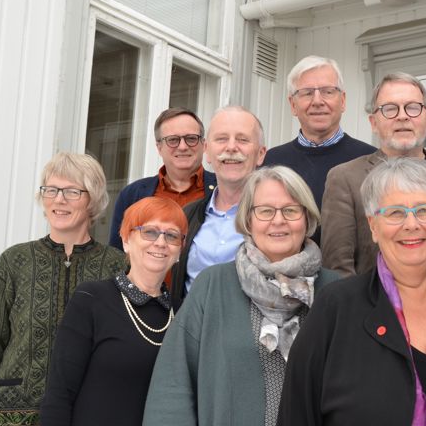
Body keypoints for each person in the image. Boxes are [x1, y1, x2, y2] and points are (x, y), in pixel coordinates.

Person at [279, 158, 426, 425]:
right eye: (395, 213)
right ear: (373, 226)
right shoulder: (335, 309)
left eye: (424, 211)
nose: (412, 224)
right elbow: (297, 415)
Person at [143, 166, 339, 426]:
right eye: (265, 211)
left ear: (307, 219)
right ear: (248, 220)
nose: (278, 221)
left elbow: (358, 391)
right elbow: (173, 385)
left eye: (290, 210)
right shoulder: (212, 286)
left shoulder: (337, 292)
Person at [0, 153, 127, 426]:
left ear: (93, 199)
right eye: (51, 190)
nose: (59, 199)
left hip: (88, 415)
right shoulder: (14, 261)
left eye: (72, 191)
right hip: (11, 417)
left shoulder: (117, 266)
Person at [322, 72, 426, 278]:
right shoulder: (345, 179)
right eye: (390, 109)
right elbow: (337, 269)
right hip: (377, 308)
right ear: (373, 122)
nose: (402, 116)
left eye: (413, 107)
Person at [39, 197, 187, 425]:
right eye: (149, 232)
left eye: (172, 235)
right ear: (126, 240)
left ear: (180, 250)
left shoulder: (184, 313)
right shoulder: (92, 300)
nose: (160, 242)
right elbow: (59, 394)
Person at [262, 55, 376, 245]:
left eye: (327, 91)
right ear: (292, 105)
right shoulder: (270, 163)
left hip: (352, 274)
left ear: (343, 101)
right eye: (306, 93)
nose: (317, 101)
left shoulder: (371, 161)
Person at [170, 106, 266, 310]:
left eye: (242, 139)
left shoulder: (275, 219)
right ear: (207, 151)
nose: (231, 147)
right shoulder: (187, 215)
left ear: (260, 154)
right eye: (221, 139)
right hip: (193, 333)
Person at [108, 107, 216, 250]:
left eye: (191, 139)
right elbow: (117, 254)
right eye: (173, 140)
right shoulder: (132, 194)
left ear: (204, 144)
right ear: (159, 147)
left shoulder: (223, 190)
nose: (183, 147)